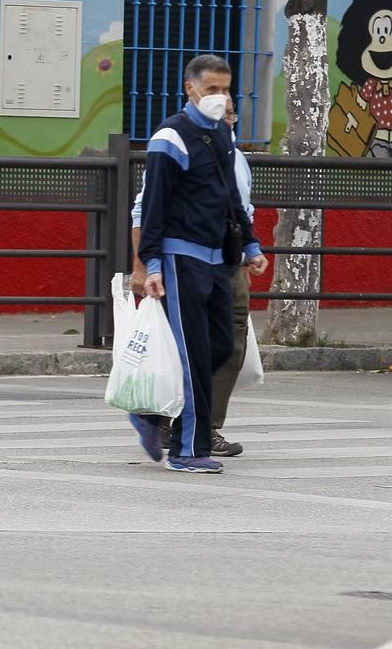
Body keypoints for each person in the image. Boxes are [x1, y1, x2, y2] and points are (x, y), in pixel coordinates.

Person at [132, 55, 267, 473]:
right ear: (191, 88)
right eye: (212, 89)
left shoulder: (222, 137)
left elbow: (231, 198)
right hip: (180, 257)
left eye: (226, 90)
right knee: (193, 354)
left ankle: (152, 416)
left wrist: (251, 246)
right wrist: (151, 265)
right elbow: (152, 207)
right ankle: (188, 450)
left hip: (218, 260)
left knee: (223, 347)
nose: (220, 98)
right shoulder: (170, 137)